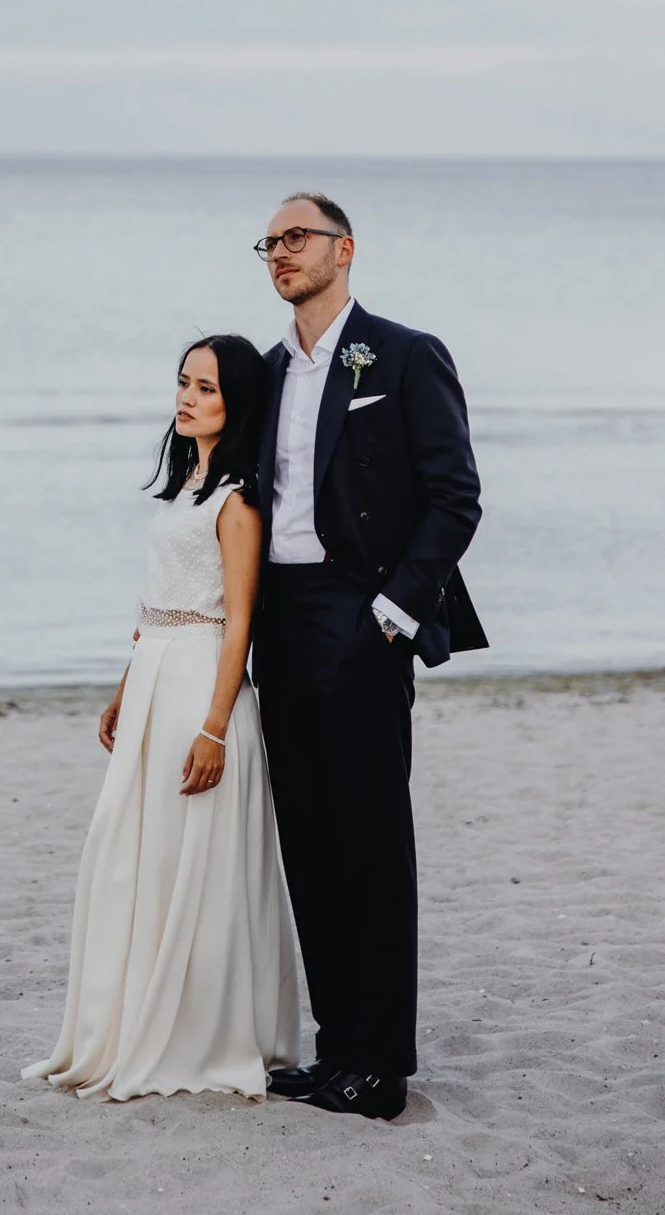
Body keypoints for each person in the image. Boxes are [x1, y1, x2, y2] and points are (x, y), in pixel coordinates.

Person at [252, 193, 484, 1121]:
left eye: (296, 237)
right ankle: (336, 1047)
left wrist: (392, 613)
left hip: (361, 617)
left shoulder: (404, 354)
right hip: (280, 624)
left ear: (343, 249)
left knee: (371, 844)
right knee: (309, 842)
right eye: (270, 243)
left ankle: (381, 1064)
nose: (280, 252)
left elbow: (455, 496)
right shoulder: (269, 370)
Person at [24, 334, 300, 1101]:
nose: (187, 398)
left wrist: (214, 727)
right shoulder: (187, 485)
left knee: (189, 863)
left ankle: (197, 1035)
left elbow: (238, 623)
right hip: (155, 675)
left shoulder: (236, 500)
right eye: (183, 382)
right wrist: (125, 685)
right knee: (133, 854)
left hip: (199, 690)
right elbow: (158, 605)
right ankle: (129, 1020)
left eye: (207, 389)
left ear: (236, 403)